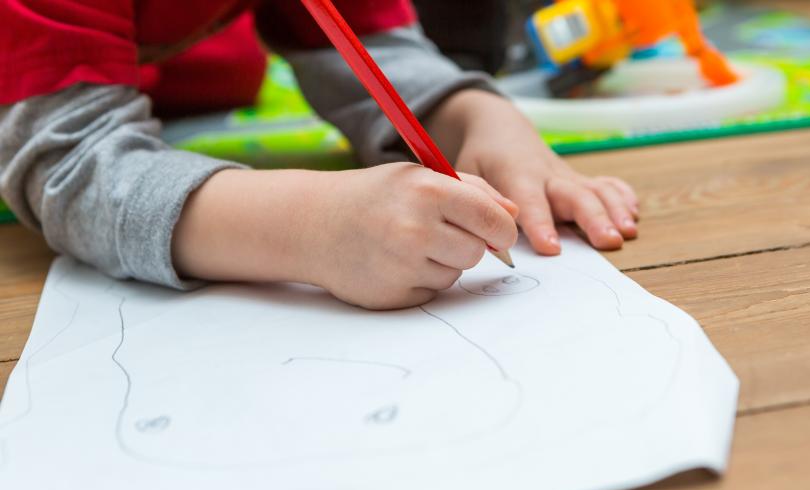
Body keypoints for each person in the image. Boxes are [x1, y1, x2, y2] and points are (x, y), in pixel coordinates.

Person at [0, 0, 638, 310]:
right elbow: (70, 165)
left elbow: (366, 42)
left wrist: (480, 114)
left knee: (224, 74)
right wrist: (310, 224)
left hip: (168, 70)